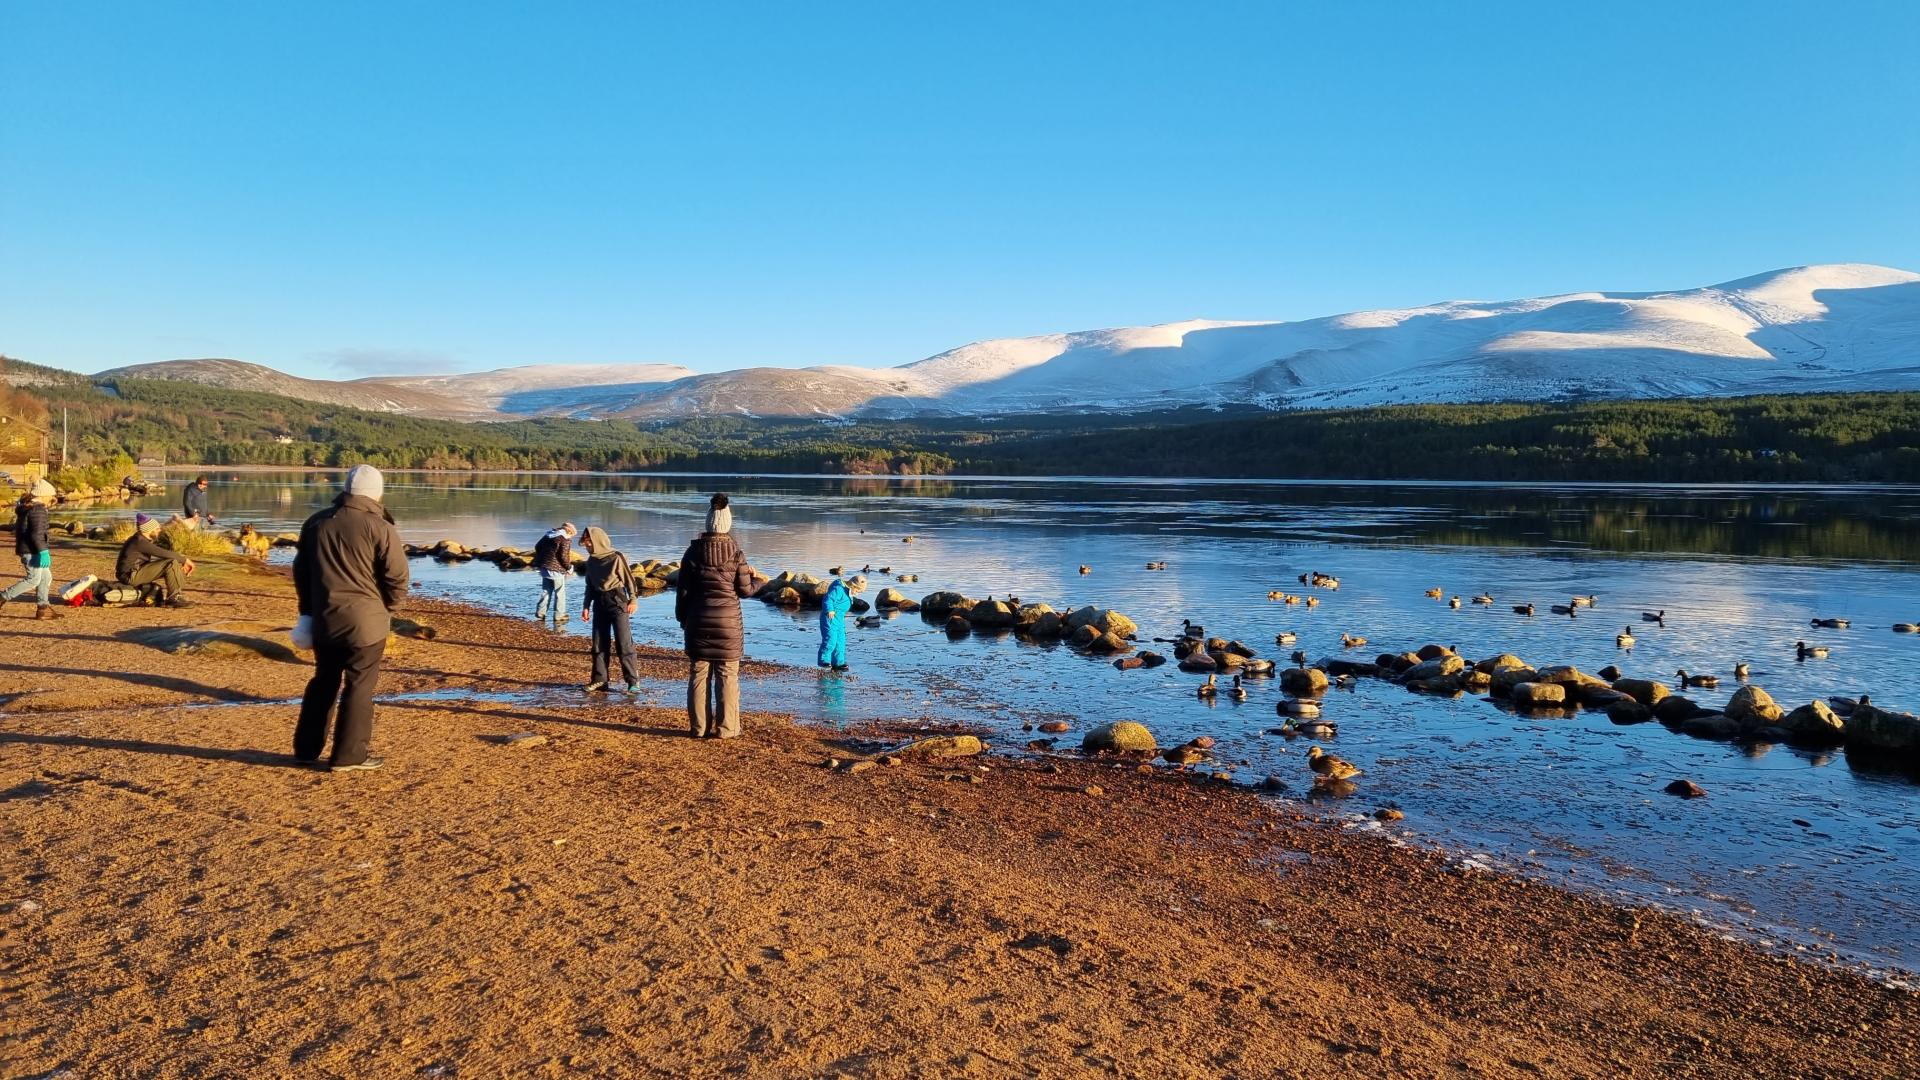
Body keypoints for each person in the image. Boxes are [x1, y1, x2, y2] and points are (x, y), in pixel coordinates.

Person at [292, 464, 408, 772]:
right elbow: (397, 577)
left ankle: (306, 748)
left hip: (325, 619)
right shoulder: (379, 527)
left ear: (346, 489)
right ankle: (349, 755)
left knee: (323, 681)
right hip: (367, 623)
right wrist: (389, 609)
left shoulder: (315, 523)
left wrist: (307, 612)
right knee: (359, 686)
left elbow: (301, 572)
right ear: (376, 493)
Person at [674, 493, 765, 739]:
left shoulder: (691, 553)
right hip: (728, 625)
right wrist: (759, 580)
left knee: (698, 675)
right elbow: (745, 591)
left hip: (697, 621)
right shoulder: (736, 553)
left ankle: (699, 728)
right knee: (727, 676)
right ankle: (727, 729)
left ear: (707, 522)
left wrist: (683, 619)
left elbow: (682, 592)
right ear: (727, 523)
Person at [579, 526, 639, 692]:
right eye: (586, 544)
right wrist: (586, 606)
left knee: (624, 643)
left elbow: (629, 581)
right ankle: (600, 680)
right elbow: (589, 586)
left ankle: (633, 682)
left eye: (589, 543)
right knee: (598, 643)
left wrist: (633, 600)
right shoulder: (591, 561)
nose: (587, 546)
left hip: (617, 601)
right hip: (599, 603)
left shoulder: (616, 558)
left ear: (598, 541)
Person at [3, 479, 60, 619]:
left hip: (30, 548)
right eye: (51, 494)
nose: (52, 498)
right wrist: (43, 551)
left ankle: (43, 608)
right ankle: (3, 596)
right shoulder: (38, 509)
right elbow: (37, 534)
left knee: (46, 577)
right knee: (33, 579)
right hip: (32, 551)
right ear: (44, 495)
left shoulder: (28, 507)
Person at [116, 514, 195, 607]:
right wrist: (185, 560)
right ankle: (174, 598)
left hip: (131, 573)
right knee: (171, 563)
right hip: (130, 576)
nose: (159, 530)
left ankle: (177, 596)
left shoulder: (140, 539)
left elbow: (163, 553)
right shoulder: (140, 542)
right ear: (149, 530)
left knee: (173, 563)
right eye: (157, 529)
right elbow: (163, 553)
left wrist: (180, 561)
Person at [532, 521, 577, 625]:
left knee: (546, 591)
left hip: (544, 568)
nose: (571, 537)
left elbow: (537, 547)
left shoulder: (549, 535)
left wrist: (544, 558)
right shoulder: (564, 539)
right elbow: (563, 557)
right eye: (572, 535)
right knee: (560, 592)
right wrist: (569, 568)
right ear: (569, 531)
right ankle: (559, 616)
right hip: (556, 570)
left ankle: (540, 614)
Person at [818, 573, 851, 672]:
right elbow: (828, 599)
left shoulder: (849, 592)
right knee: (830, 639)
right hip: (829, 618)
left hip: (839, 619)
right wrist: (830, 610)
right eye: (859, 590)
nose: (859, 592)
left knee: (840, 640)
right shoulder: (839, 589)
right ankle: (824, 660)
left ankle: (838, 662)